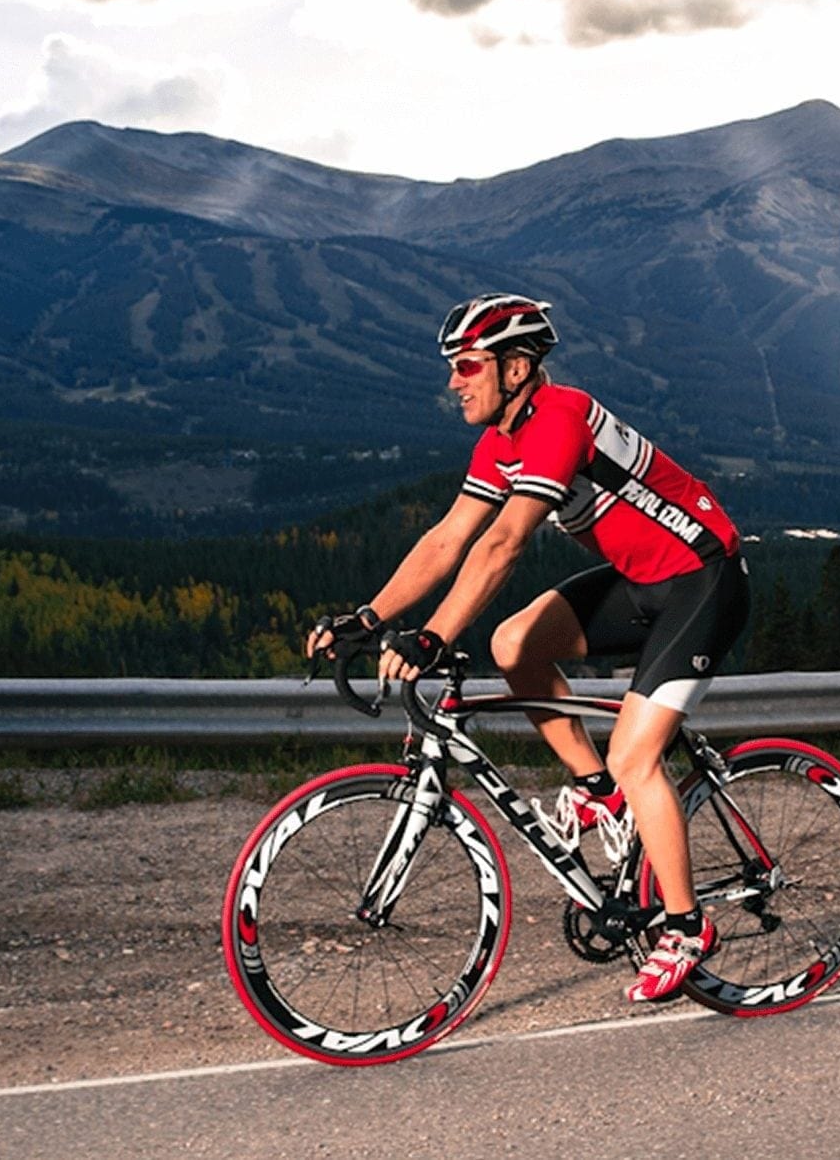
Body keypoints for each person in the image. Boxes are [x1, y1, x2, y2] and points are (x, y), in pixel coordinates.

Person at [305, 293, 749, 1002]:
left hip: (704, 580)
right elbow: (448, 540)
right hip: (641, 582)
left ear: (516, 368)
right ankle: (596, 790)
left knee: (637, 755)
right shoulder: (500, 441)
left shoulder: (561, 420)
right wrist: (368, 614)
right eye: (454, 367)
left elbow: (504, 545)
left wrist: (432, 636)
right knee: (514, 645)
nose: (455, 381)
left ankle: (687, 927)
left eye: (468, 365)